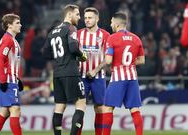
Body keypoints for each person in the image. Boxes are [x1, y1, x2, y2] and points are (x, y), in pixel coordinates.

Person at [42, 4, 87, 135]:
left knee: (59, 106)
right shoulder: (71, 28)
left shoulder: (53, 31)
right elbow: (73, 47)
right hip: (71, 72)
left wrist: (59, 58)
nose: (79, 17)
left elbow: (45, 53)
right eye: (77, 14)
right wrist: (82, 55)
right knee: (81, 103)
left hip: (57, 74)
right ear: (69, 14)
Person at [102, 12, 145, 135]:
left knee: (107, 108)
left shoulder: (112, 38)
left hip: (118, 78)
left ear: (116, 23)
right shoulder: (136, 38)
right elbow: (142, 60)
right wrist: (129, 63)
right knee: (134, 109)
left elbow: (109, 60)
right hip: (132, 78)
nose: (110, 24)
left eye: (111, 22)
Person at [77, 7, 110, 135]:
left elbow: (108, 58)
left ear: (97, 18)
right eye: (85, 18)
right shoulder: (78, 34)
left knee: (100, 108)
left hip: (99, 77)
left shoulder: (105, 35)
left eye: (90, 18)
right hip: (81, 77)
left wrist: (95, 70)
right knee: (80, 108)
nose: (87, 20)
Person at [0, 13, 23, 135]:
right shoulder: (8, 40)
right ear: (9, 25)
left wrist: (17, 79)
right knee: (15, 109)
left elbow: (10, 62)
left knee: (5, 111)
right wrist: (4, 80)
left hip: (11, 79)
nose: (20, 25)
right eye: (17, 23)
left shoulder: (12, 40)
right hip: (7, 80)